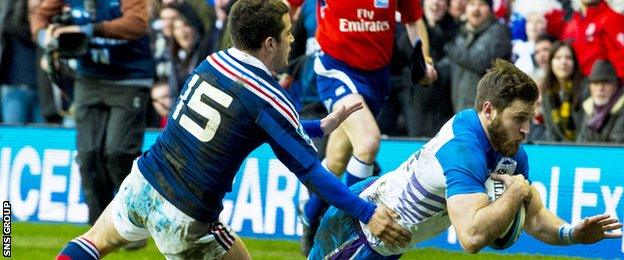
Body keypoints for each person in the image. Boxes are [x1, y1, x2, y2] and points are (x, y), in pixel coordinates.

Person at [55, 1, 410, 259]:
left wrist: (320, 126)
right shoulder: (269, 96)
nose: (292, 40)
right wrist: (368, 213)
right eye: (287, 33)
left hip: (144, 180)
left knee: (92, 243)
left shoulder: (213, 61)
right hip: (187, 213)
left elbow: (245, 121)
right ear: (270, 43)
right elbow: (313, 174)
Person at [309, 59, 623, 259]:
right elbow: (471, 237)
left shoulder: (511, 149)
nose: (526, 130)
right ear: (489, 110)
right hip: (355, 236)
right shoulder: (462, 148)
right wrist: (514, 193)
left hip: (389, 244)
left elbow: (534, 215)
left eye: (530, 118)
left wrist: (572, 234)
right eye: (519, 119)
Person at [285, 0, 437, 254]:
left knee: (336, 159)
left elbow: (414, 20)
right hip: (335, 70)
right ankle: (351, 227)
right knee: (367, 142)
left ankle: (309, 212)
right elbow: (286, 5)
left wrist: (424, 61)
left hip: (376, 77)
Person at [445, 0, 512, 112]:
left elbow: (480, 61)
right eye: (472, 4)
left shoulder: (498, 32)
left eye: (481, 4)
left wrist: (448, 48)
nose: (476, 9)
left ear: (490, 10)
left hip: (486, 112)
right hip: (461, 108)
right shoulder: (461, 32)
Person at [540, 41, 585, 142]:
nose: (563, 62)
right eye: (558, 58)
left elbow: (585, 129)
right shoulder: (547, 91)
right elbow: (551, 130)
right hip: (560, 151)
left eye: (568, 58)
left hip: (583, 149)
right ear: (551, 62)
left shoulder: (585, 87)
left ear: (575, 62)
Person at [577, 60, 624, 143]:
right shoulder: (589, 108)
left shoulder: (621, 110)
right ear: (590, 87)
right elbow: (581, 142)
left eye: (606, 83)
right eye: (595, 83)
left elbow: (616, 145)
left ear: (616, 85)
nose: (600, 88)